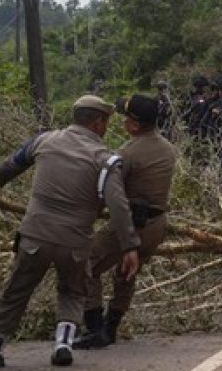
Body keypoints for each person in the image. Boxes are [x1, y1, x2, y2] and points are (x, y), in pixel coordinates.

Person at [0, 95, 140, 368]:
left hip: (35, 234)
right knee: (73, 290)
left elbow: (10, 166)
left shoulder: (43, 140)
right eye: (106, 122)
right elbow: (119, 206)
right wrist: (129, 245)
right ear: (99, 123)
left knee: (17, 289)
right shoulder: (106, 159)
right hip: (74, 239)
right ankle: (62, 343)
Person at [75, 94, 176, 349]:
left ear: (134, 124)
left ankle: (95, 327)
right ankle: (111, 327)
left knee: (88, 263)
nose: (122, 122)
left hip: (131, 223)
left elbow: (110, 192)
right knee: (126, 274)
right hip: (157, 224)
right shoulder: (168, 148)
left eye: (126, 118)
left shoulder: (126, 154)